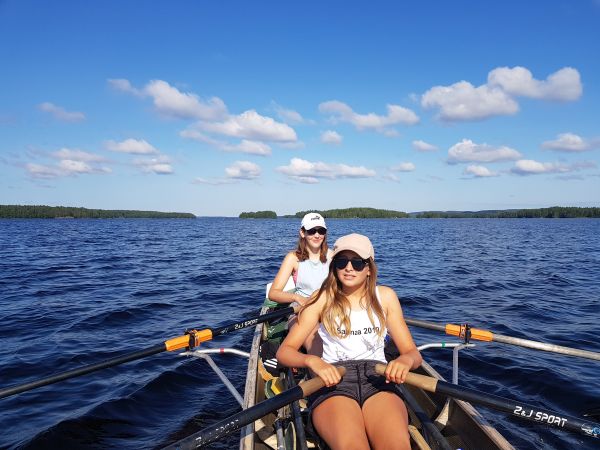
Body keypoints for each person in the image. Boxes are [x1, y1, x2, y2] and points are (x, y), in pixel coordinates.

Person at [276, 233, 422, 450]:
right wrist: (312, 362)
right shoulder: (320, 299)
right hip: (334, 383)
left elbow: (413, 353)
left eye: (357, 262)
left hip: (378, 378)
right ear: (334, 265)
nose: (349, 268)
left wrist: (405, 362)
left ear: (369, 268)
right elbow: (284, 352)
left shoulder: (386, 297)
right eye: (342, 261)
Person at [268, 212, 329, 354]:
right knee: (315, 341)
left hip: (328, 310)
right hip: (301, 310)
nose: (317, 235)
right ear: (302, 233)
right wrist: (297, 298)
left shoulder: (333, 256)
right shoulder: (292, 258)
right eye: (312, 231)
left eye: (321, 231)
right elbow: (273, 293)